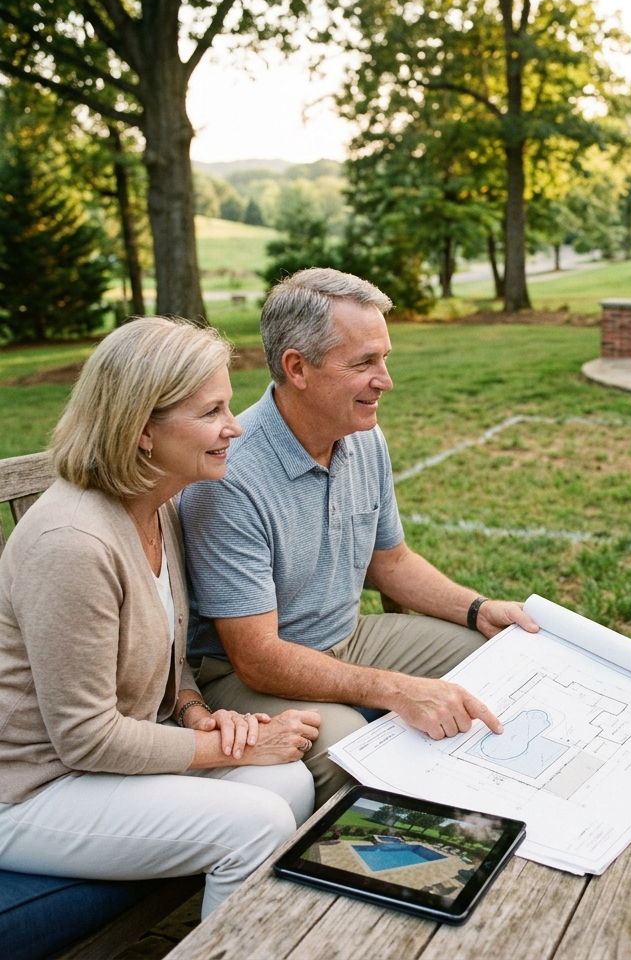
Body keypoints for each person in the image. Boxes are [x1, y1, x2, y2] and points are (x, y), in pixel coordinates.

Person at [180, 269, 539, 809]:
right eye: (364, 363)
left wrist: (477, 609)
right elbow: (256, 659)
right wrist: (395, 688)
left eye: (384, 358)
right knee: (355, 758)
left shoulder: (361, 437)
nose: (386, 380)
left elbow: (390, 561)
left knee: (497, 660)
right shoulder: (231, 476)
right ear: (297, 368)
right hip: (250, 674)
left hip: (349, 636)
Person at [0, 318, 322, 920]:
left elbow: (168, 665)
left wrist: (200, 714)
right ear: (143, 429)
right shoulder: (73, 542)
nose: (234, 427)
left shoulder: (158, 504)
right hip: (33, 790)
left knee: (289, 784)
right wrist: (228, 752)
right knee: (253, 823)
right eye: (211, 412)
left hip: (103, 764)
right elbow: (85, 737)